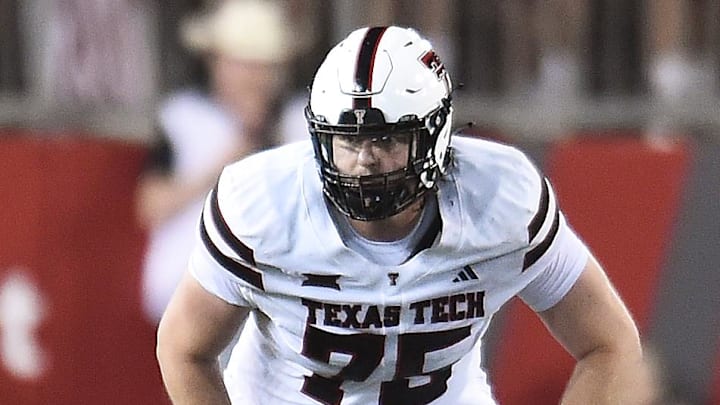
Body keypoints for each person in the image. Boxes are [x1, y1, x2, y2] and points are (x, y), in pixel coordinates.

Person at [156, 26, 650, 404]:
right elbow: (183, 348)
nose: (365, 159)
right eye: (348, 139)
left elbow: (609, 344)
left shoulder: (501, 201)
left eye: (387, 139)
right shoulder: (262, 204)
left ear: (436, 135)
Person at [135, 0, 294, 323]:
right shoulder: (182, 119)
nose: (255, 76)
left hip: (283, 293)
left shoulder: (300, 121)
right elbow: (150, 206)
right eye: (244, 63)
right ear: (215, 62)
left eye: (264, 65)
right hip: (188, 285)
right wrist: (231, 156)